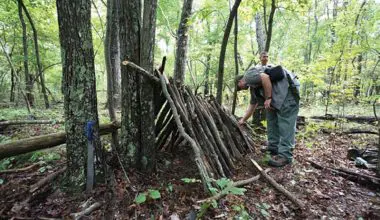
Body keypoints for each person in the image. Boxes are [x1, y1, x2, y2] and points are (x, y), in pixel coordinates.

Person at [236, 53, 300, 167]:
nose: (241, 89)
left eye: (239, 87)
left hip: (287, 94)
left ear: (240, 81)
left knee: (286, 124)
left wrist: (268, 98)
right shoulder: (253, 86)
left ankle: (285, 156)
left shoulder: (249, 76)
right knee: (271, 120)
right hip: (277, 98)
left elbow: (265, 78)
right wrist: (243, 120)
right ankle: (273, 147)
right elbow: (253, 105)